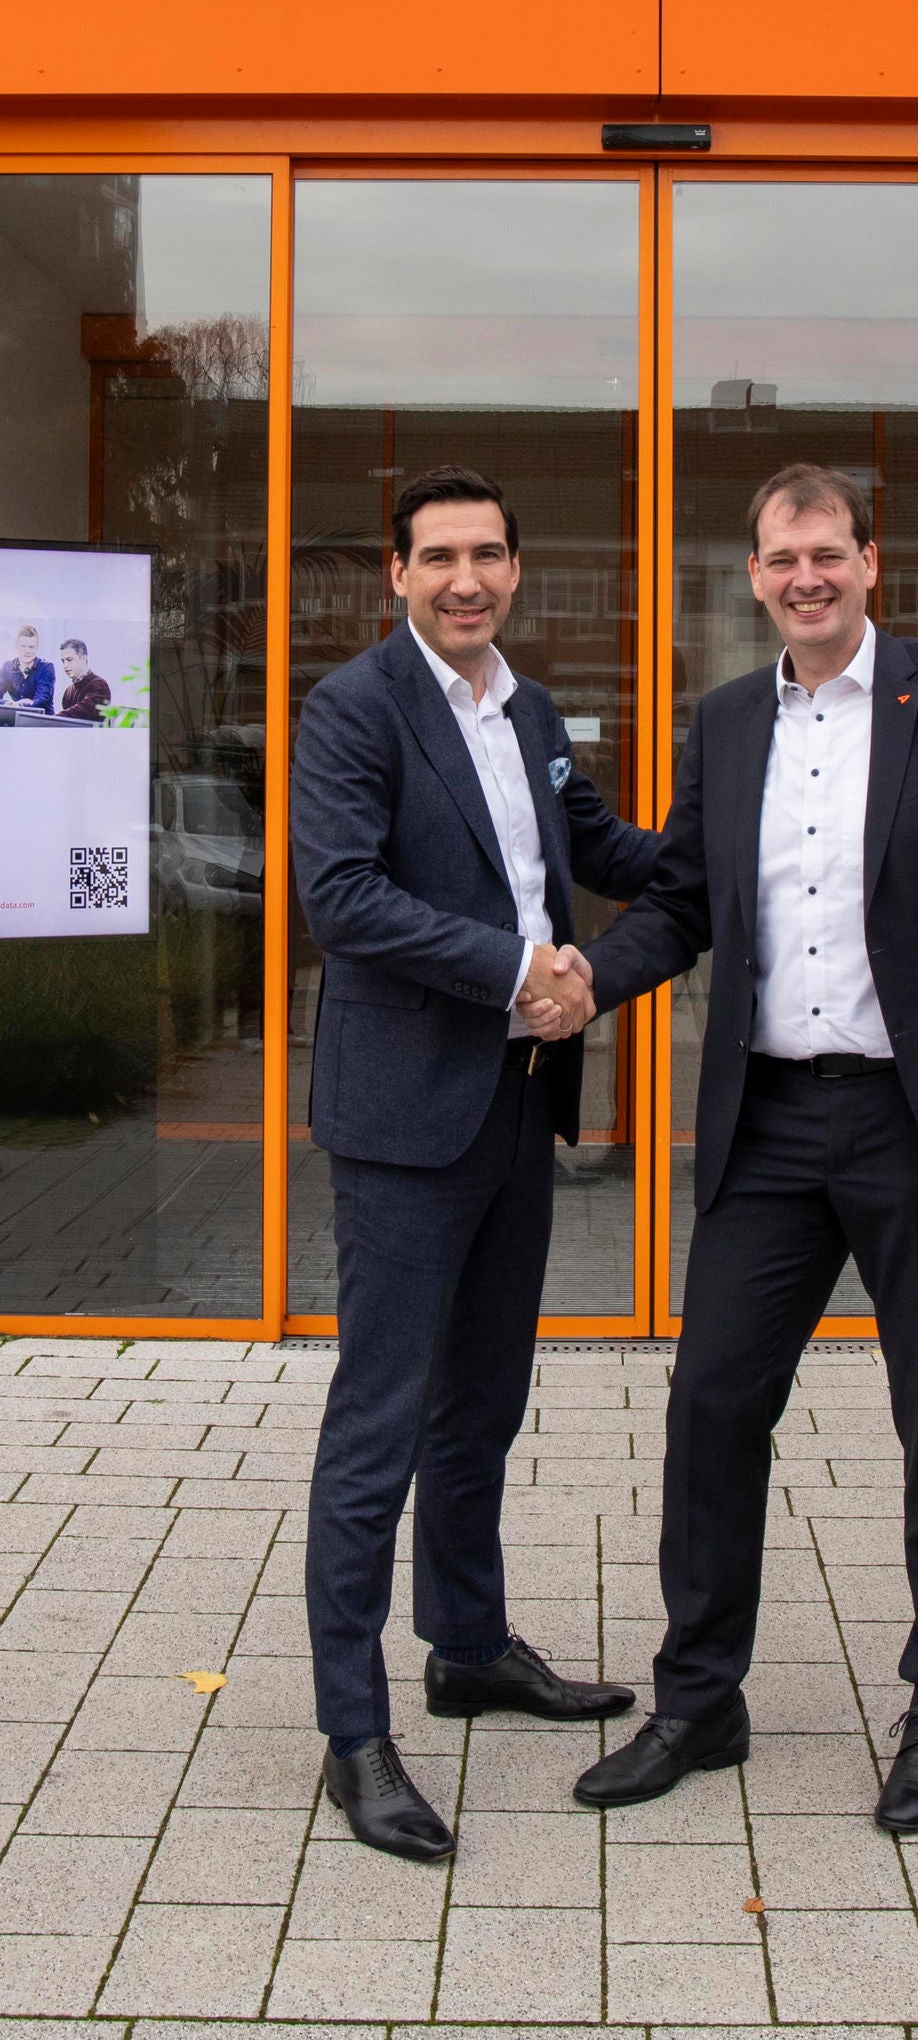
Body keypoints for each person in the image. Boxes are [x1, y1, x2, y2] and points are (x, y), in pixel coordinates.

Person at [533, 463, 918, 1835]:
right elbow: (682, 907)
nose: (806, 577)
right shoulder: (724, 723)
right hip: (772, 1122)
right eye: (782, 557)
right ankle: (700, 1697)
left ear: (867, 560)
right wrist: (591, 982)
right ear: (754, 574)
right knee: (712, 1408)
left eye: (827, 553)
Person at [290, 464, 657, 1863]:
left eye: (488, 555)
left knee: (484, 1403)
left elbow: (590, 845)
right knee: (378, 1425)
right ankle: (353, 1732)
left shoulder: (532, 706)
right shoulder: (355, 710)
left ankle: (466, 1644)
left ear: (517, 568)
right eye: (438, 556)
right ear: (396, 574)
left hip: (512, 1110)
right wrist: (523, 970)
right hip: (403, 1118)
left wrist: (730, 844)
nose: (465, 579)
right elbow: (345, 900)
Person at [1, 626, 55, 713]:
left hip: (42, 720)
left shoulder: (46, 668)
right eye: (23, 646)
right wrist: (7, 703)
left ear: (37, 648)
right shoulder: (7, 667)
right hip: (18, 719)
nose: (27, 651)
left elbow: (41, 699)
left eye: (31, 647)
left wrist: (21, 705)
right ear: (16, 646)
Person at [57, 638, 111, 721]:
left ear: (83, 658)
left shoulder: (99, 685)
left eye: (69, 660)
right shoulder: (68, 691)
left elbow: (83, 711)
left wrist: (52, 718)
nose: (65, 665)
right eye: (63, 661)